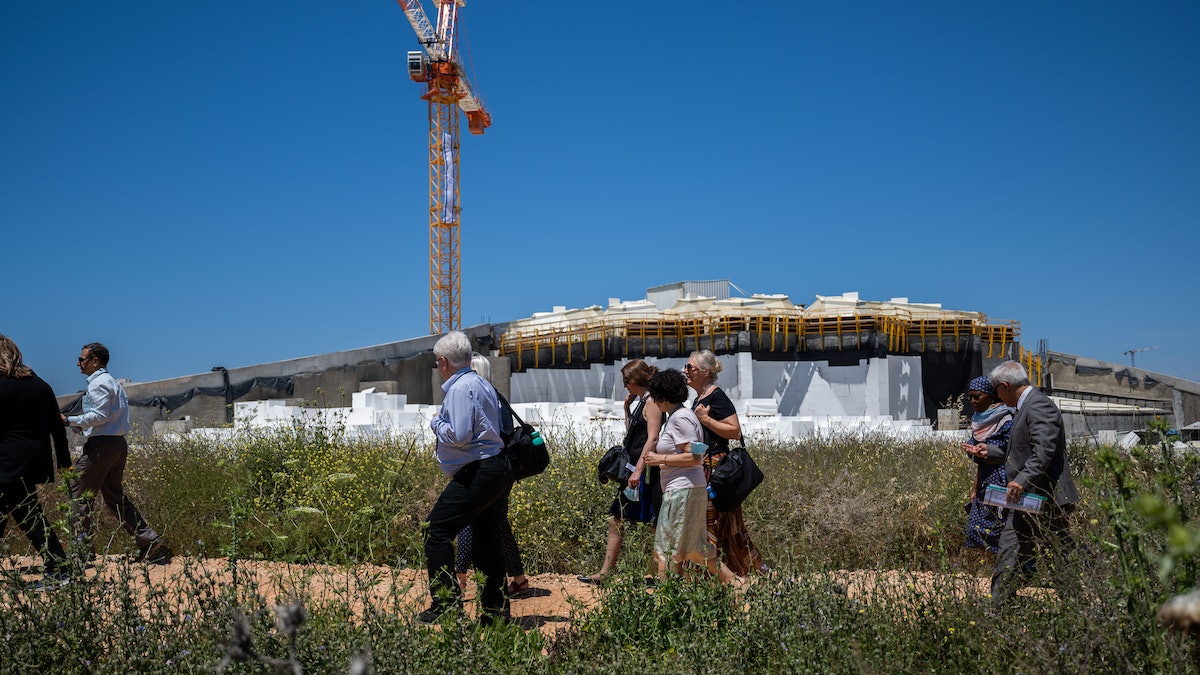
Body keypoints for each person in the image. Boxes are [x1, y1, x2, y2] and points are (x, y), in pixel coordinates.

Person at [421, 332, 514, 624]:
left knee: (436, 531)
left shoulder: (460, 389)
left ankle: (445, 605)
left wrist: (436, 422)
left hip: (479, 471)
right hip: (495, 468)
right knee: (487, 542)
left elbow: (459, 435)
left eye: (438, 362)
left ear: (444, 361)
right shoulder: (480, 382)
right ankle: (495, 614)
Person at [63, 342, 170, 563]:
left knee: (78, 492)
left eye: (82, 359)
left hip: (101, 447)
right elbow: (106, 418)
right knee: (113, 495)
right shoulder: (112, 383)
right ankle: (147, 539)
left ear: (95, 361)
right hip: (117, 445)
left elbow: (99, 416)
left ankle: (81, 551)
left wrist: (69, 419)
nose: (78, 363)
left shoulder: (98, 384)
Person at [987, 360, 1079, 608]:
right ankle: (998, 607)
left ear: (1005, 386)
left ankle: (1080, 609)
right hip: (1028, 499)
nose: (996, 396)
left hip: (1043, 497)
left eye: (996, 390)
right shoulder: (1027, 406)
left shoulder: (1038, 405)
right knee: (1013, 547)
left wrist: (1020, 481)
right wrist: (990, 451)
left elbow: (1044, 451)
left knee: (1059, 554)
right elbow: (1021, 450)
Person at [641, 369, 739, 585]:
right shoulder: (682, 416)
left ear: (661, 397)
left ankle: (667, 599)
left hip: (681, 490)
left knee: (667, 547)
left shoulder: (680, 419)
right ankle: (735, 584)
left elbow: (694, 457)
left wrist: (660, 459)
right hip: (687, 489)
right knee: (695, 548)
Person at [578, 359, 664, 584]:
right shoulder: (641, 402)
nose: (625, 385)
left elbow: (653, 437)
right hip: (634, 473)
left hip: (643, 473)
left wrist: (638, 470)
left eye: (627, 380)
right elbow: (633, 435)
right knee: (618, 518)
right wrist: (626, 409)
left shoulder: (652, 402)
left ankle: (664, 574)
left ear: (638, 379)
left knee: (654, 522)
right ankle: (606, 572)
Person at [685, 350, 767, 576]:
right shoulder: (699, 399)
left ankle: (743, 573)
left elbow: (735, 431)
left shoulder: (716, 397)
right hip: (703, 468)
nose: (686, 371)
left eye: (690, 367)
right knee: (725, 525)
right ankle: (740, 573)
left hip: (716, 470)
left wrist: (705, 419)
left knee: (717, 523)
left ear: (705, 372)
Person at [455, 353, 531, 598]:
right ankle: (518, 579)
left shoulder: (480, 399)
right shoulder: (498, 398)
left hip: (484, 469)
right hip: (503, 470)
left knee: (468, 518)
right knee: (499, 524)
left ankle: (460, 578)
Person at [0, 334, 72, 589]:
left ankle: (60, 571)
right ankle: (60, 569)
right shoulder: (40, 385)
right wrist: (64, 461)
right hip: (33, 462)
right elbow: (57, 427)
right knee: (21, 512)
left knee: (30, 518)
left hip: (7, 462)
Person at [961, 376, 1015, 553]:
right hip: (985, 482)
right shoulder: (979, 421)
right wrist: (975, 487)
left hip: (1003, 482)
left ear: (991, 396)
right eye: (970, 397)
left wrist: (990, 450)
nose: (973, 401)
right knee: (975, 528)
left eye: (977, 396)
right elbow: (982, 463)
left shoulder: (1006, 420)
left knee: (999, 528)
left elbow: (1012, 451)